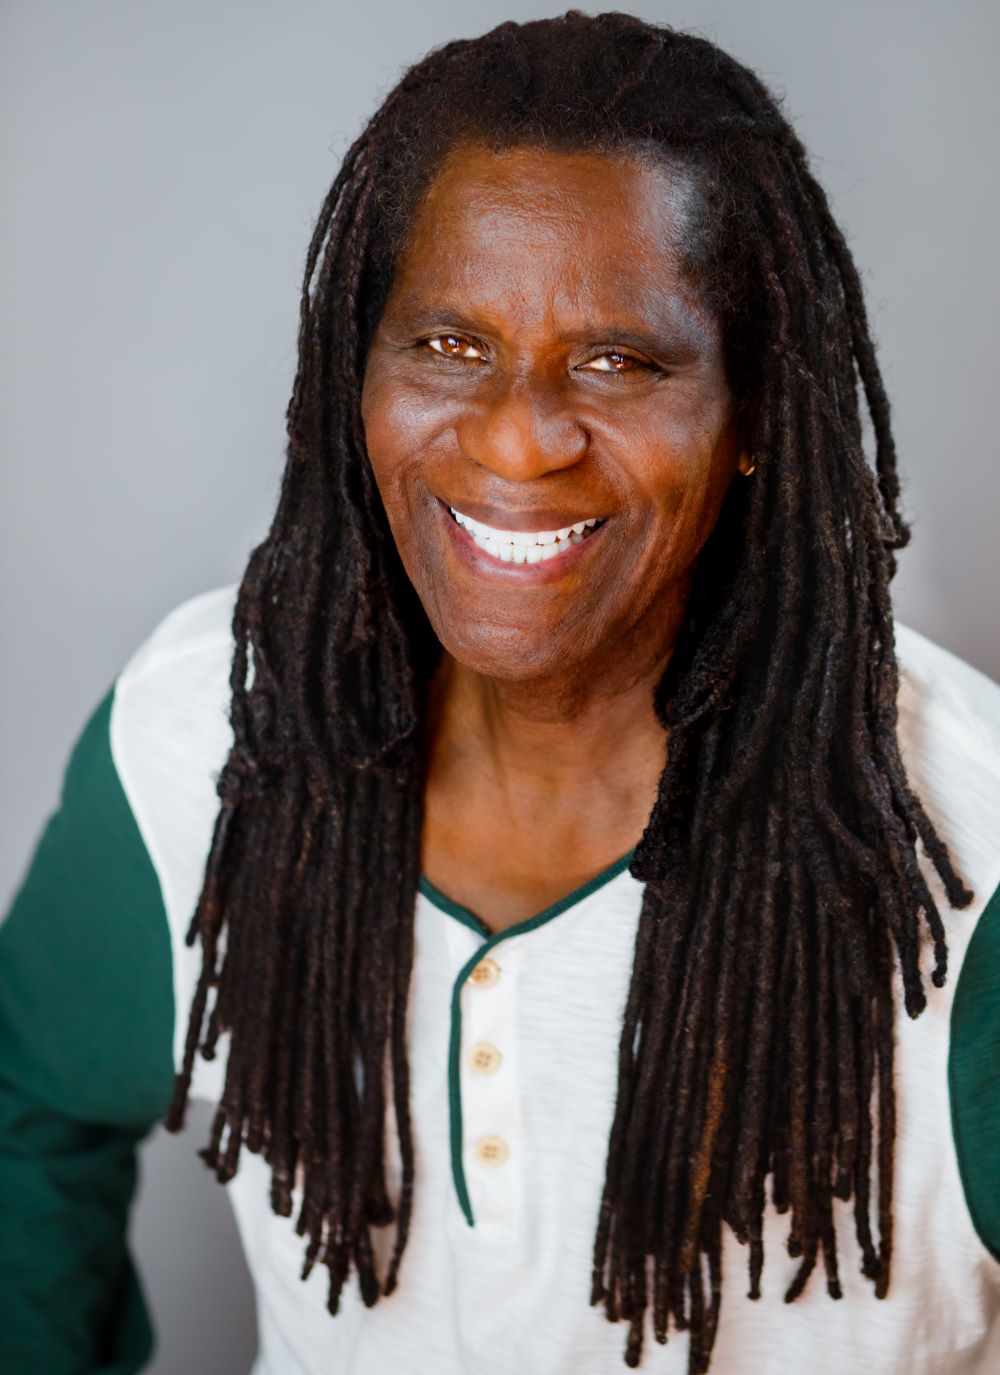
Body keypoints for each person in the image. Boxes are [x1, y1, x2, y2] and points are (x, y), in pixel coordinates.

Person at [1, 10, 998, 1375]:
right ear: (355, 371)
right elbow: (28, 1112)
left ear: (756, 414)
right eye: (448, 346)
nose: (520, 441)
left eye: (620, 361)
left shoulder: (968, 870)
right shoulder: (207, 738)